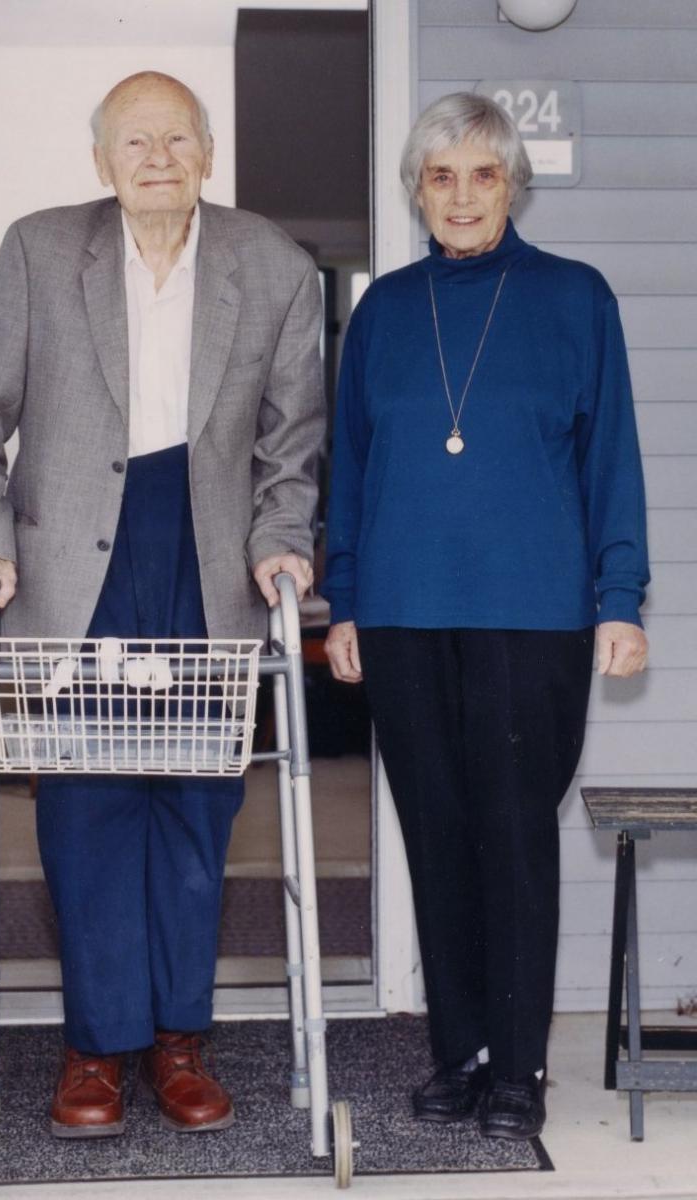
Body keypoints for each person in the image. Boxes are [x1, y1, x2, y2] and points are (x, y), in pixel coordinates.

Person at [0, 71, 324, 1138]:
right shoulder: (41, 249)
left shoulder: (273, 265)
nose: (157, 158)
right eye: (135, 142)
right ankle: (94, 1051)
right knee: (88, 812)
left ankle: (179, 1039)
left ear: (207, 153)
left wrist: (281, 543)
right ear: (101, 161)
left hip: (206, 559)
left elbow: (292, 445)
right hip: (72, 568)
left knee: (197, 814)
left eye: (176, 139)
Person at [321, 92, 648, 1141]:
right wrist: (347, 602)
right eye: (439, 175)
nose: (460, 195)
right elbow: (353, 470)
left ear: (513, 184)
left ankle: (518, 1069)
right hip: (406, 615)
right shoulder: (382, 312)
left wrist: (619, 598)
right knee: (437, 836)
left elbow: (611, 464)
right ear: (416, 189)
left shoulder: (573, 299)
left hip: (533, 615)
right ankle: (457, 1053)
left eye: (482, 174)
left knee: (512, 838)